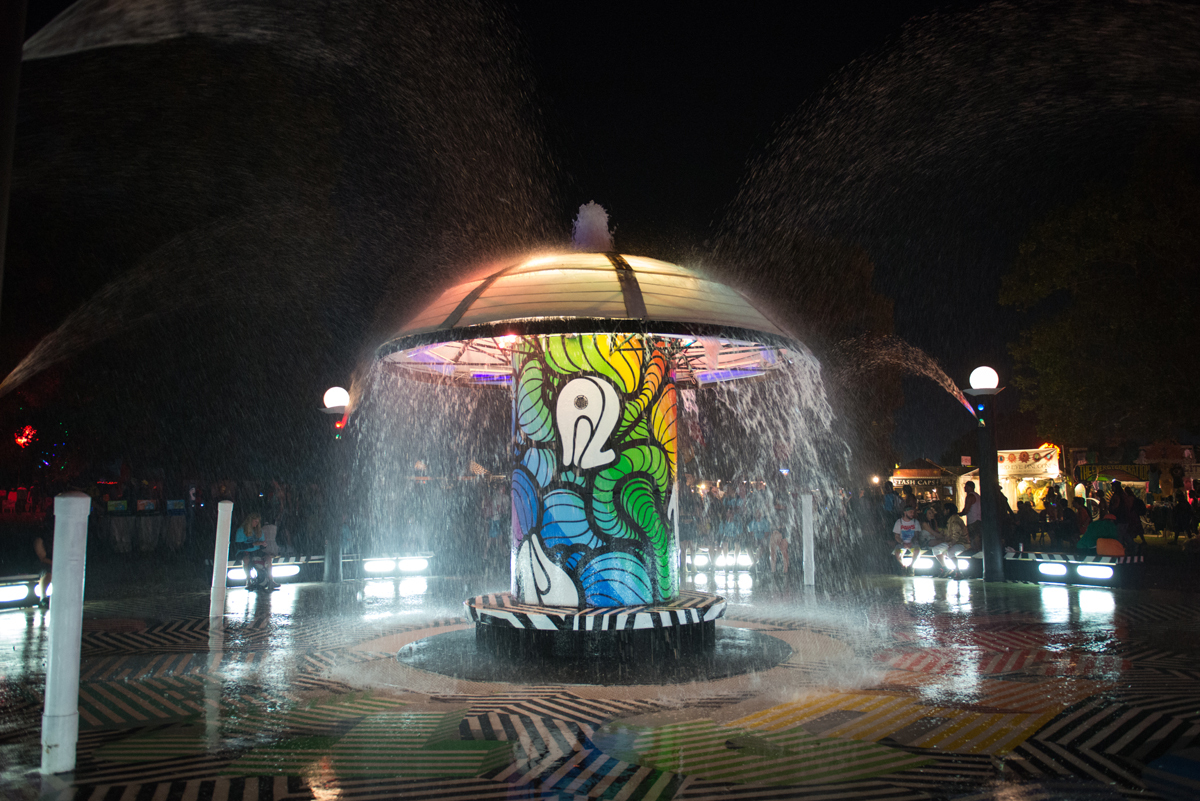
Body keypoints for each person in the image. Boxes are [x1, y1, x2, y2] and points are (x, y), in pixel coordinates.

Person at [234, 512, 278, 590]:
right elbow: (239, 545)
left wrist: (263, 545)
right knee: (246, 560)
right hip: (244, 551)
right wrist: (253, 544)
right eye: (255, 521)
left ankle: (271, 580)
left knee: (268, 558)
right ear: (250, 521)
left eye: (258, 522)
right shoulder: (241, 530)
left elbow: (261, 545)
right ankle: (248, 581)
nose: (257, 524)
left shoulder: (259, 531)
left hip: (256, 551)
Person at [892, 504, 923, 575]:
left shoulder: (915, 522)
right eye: (910, 512)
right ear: (905, 512)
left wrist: (911, 542)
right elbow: (897, 536)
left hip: (913, 542)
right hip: (902, 543)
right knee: (897, 553)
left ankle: (911, 567)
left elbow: (916, 535)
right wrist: (903, 542)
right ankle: (903, 566)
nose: (912, 514)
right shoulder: (899, 522)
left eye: (913, 512)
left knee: (917, 550)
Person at [33, 520, 53, 606]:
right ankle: (43, 596)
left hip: (54, 563)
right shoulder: (39, 540)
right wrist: (54, 563)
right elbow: (42, 558)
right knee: (48, 572)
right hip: (43, 563)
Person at [959, 481, 982, 550]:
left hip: (973, 521)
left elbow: (966, 510)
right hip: (978, 520)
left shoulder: (970, 496)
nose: (964, 488)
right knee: (978, 539)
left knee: (973, 539)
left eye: (965, 486)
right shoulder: (977, 496)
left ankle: (975, 553)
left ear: (969, 487)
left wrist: (958, 514)